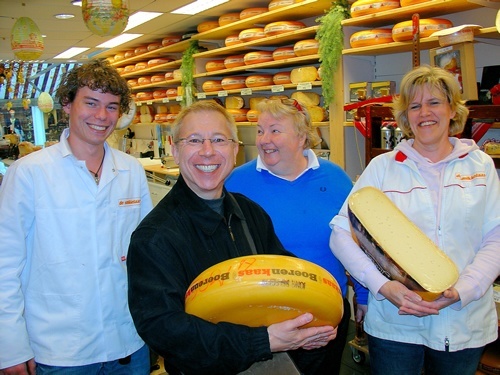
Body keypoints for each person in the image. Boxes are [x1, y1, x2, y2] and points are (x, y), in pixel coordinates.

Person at [127, 100, 338, 375]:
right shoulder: (154, 237)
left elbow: (287, 279)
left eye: (218, 140)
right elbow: (165, 331)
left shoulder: (250, 212)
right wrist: (263, 341)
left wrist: (306, 329)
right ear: (174, 150)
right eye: (194, 140)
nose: (207, 151)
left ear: (235, 150)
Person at [329, 65, 500, 375]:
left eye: (434, 102)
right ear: (405, 117)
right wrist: (383, 287)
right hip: (397, 322)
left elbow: (496, 238)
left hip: (463, 319)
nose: (425, 113)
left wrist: (464, 289)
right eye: (415, 105)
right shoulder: (382, 168)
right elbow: (341, 234)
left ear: (452, 109)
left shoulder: (481, 166)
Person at [0, 59, 153, 374]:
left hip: (128, 342)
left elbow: (146, 255)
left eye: (112, 107)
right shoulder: (29, 173)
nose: (101, 116)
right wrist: (10, 346)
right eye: (91, 103)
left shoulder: (131, 170)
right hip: (59, 351)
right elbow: (5, 263)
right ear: (67, 104)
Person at [225, 98, 368, 374]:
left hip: (324, 313)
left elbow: (356, 239)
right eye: (260, 130)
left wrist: (362, 294)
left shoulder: (335, 178)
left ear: (302, 136)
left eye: (275, 130)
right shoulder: (235, 182)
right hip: (260, 318)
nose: (264, 139)